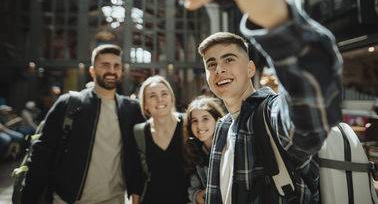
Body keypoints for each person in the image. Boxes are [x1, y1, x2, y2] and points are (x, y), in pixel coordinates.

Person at [176, 0, 343, 204]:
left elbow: (314, 103)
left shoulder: (272, 115)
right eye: (211, 64)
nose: (219, 68)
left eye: (229, 59)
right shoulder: (222, 127)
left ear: (251, 68)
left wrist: (273, 13)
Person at [21, 44, 144, 204]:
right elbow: (42, 153)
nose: (111, 71)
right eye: (105, 65)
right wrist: (28, 197)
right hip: (66, 199)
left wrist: (136, 192)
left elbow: (138, 157)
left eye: (116, 66)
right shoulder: (69, 104)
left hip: (113, 199)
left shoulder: (131, 109)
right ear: (92, 71)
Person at [132, 75, 189, 204]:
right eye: (152, 96)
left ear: (172, 98)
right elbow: (137, 177)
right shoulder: (139, 132)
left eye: (164, 94)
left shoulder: (188, 125)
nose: (159, 99)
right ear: (145, 105)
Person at [183, 97, 225, 204]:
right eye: (194, 121)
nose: (199, 126)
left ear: (217, 120)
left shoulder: (229, 147)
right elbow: (193, 190)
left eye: (205, 118)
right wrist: (199, 196)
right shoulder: (195, 151)